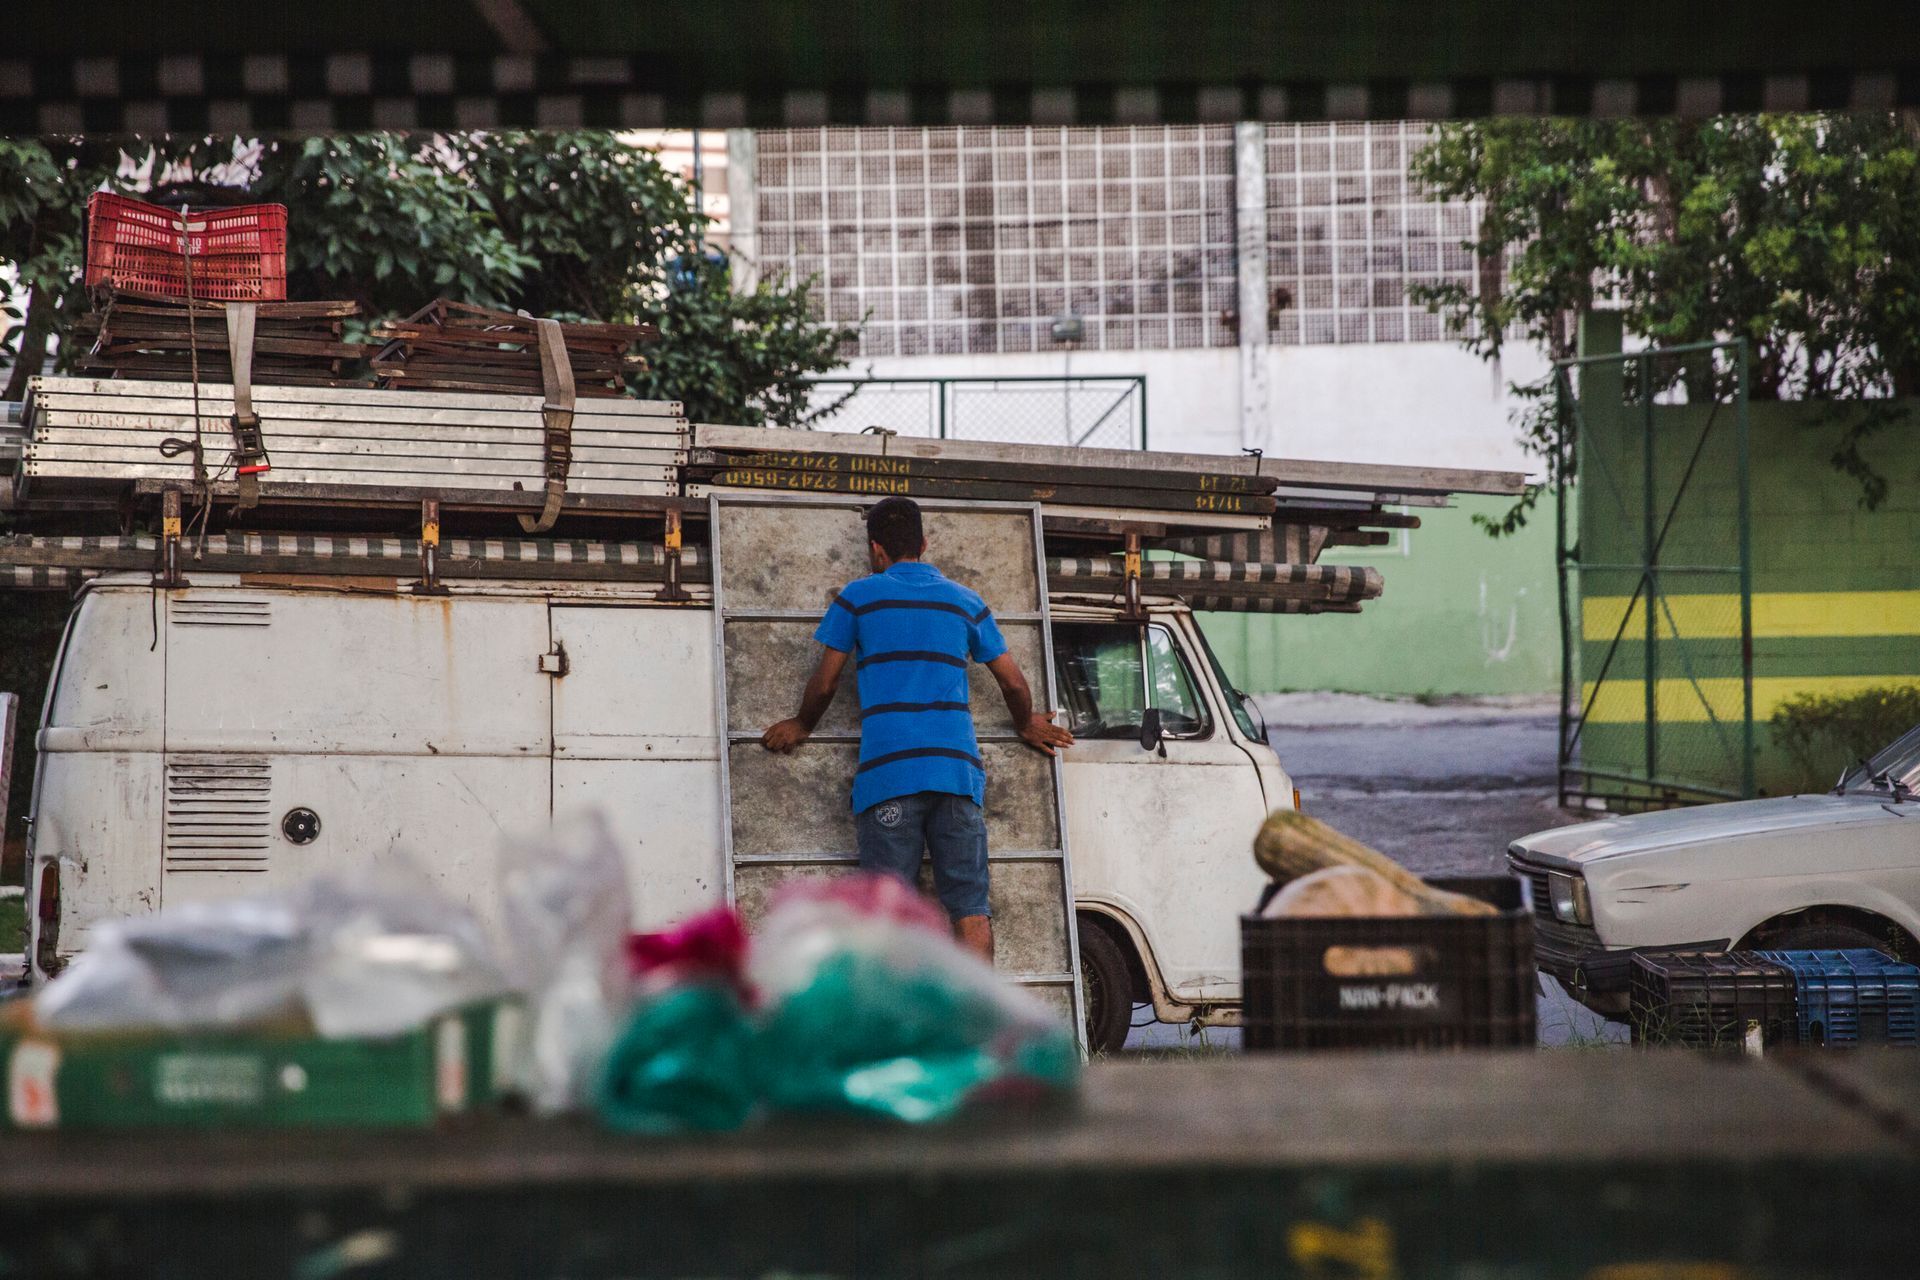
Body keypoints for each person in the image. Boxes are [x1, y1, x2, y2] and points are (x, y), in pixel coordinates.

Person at [761, 496, 1074, 961]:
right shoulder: (966, 602)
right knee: (970, 907)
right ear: (925, 543)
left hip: (888, 780)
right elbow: (1012, 680)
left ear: (876, 551)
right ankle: (976, 1028)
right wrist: (1025, 723)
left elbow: (825, 683)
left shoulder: (858, 598)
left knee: (885, 916)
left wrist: (803, 724)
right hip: (955, 777)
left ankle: (896, 1031)